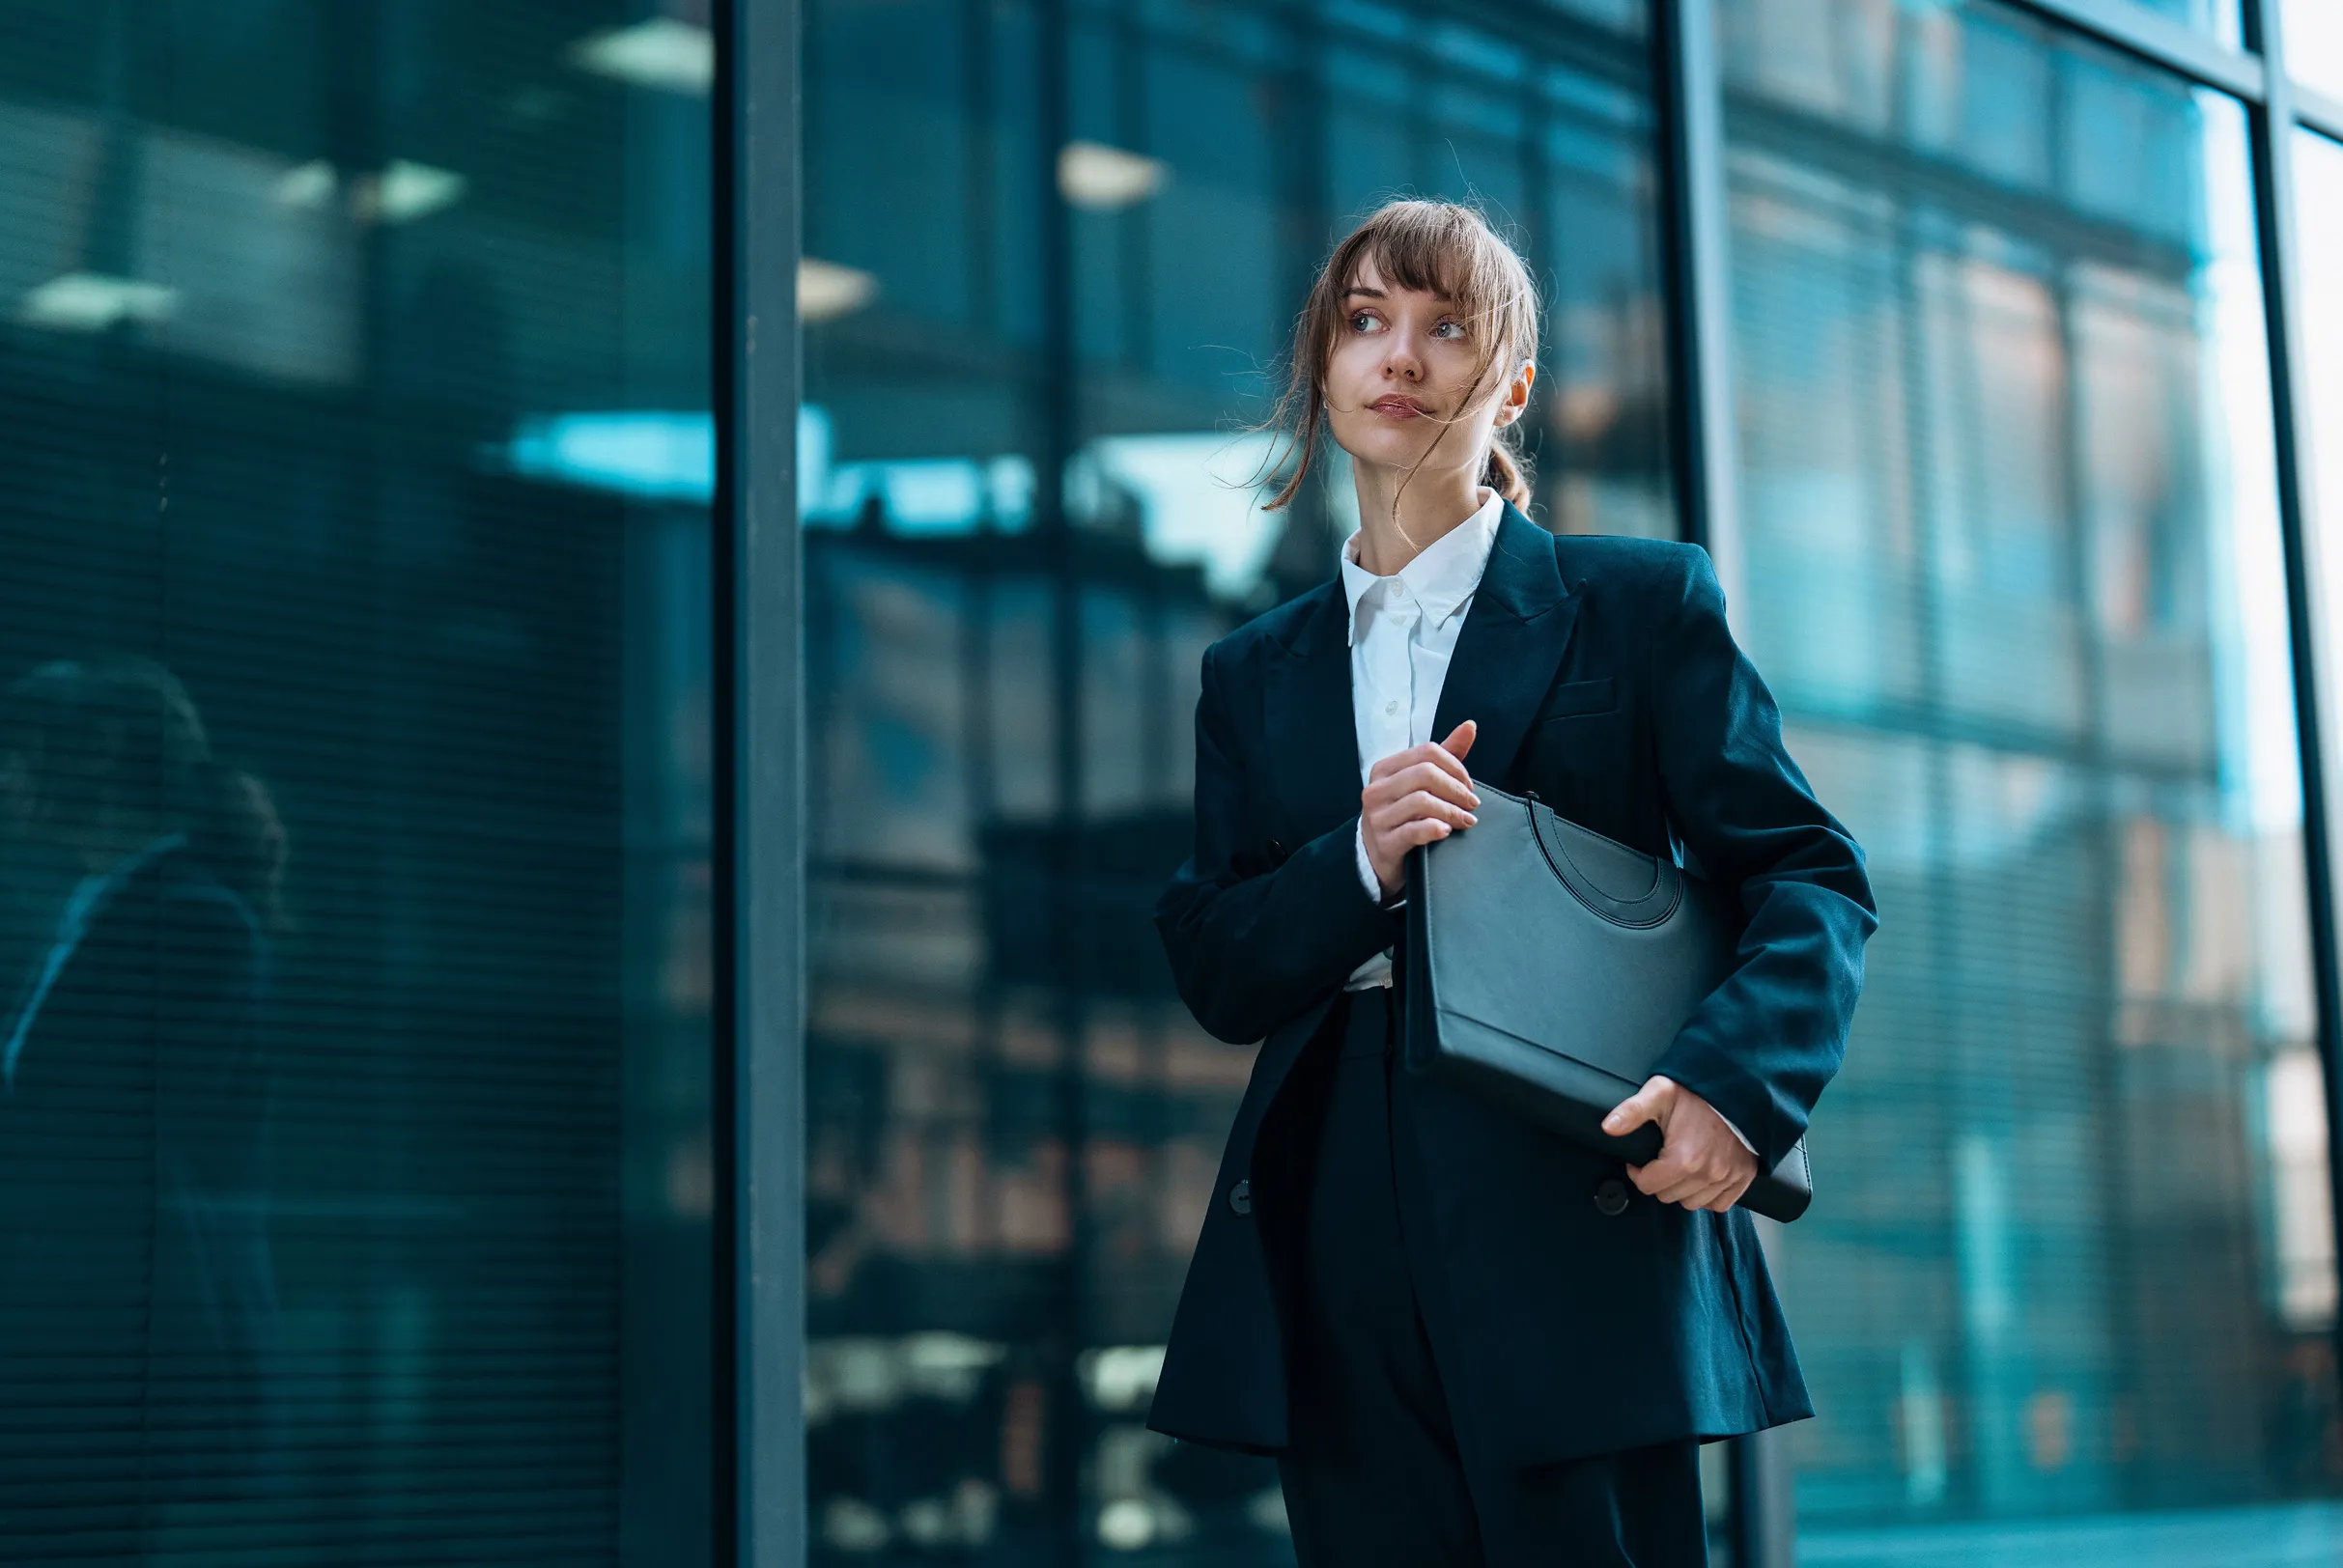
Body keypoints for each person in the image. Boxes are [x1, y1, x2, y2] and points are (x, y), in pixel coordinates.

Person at [1147, 200, 1877, 1566]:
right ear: (1321, 365)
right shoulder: (1252, 673)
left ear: (1511, 383)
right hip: (1332, 1214)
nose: (1397, 356)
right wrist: (1356, 862)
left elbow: (1806, 873)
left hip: (1570, 1199)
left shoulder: (1638, 604)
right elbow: (1213, 960)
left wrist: (1736, 1082)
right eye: (1363, 322)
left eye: (1444, 327)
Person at [0, 658, 287, 1554]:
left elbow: (98, 1132)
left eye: (22, 751)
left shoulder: (194, 922)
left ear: (102, 758)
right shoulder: (98, 912)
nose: (5, 774)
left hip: (108, 1345)